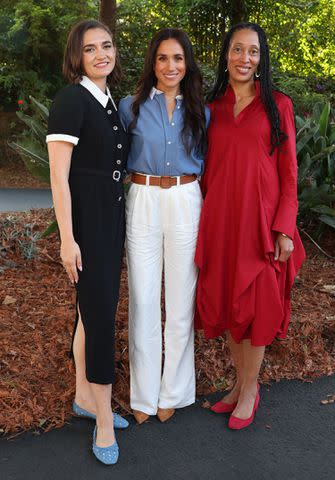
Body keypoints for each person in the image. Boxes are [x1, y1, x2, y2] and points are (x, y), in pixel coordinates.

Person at [195, 22, 306, 429]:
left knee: (256, 310)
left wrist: (284, 227)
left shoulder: (278, 105)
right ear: (226, 54)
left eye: (253, 52)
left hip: (261, 225)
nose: (245, 59)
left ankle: (250, 390)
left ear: (262, 59)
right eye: (238, 50)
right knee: (230, 308)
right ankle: (241, 385)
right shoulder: (212, 107)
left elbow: (290, 173)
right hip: (223, 223)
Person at [46, 19, 129, 464]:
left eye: (107, 46)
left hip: (110, 220)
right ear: (76, 56)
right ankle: (101, 422)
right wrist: (67, 241)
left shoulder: (107, 101)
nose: (101, 54)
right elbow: (58, 177)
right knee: (99, 323)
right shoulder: (70, 100)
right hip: (87, 227)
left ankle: (84, 397)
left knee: (89, 315)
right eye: (90, 48)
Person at [118, 28, 209, 424]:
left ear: (186, 64)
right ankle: (143, 396)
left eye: (177, 58)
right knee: (142, 296)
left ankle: (173, 391)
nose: (170, 66)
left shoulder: (201, 111)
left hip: (186, 199)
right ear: (152, 63)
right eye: (162, 58)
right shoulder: (130, 107)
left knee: (180, 300)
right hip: (143, 198)